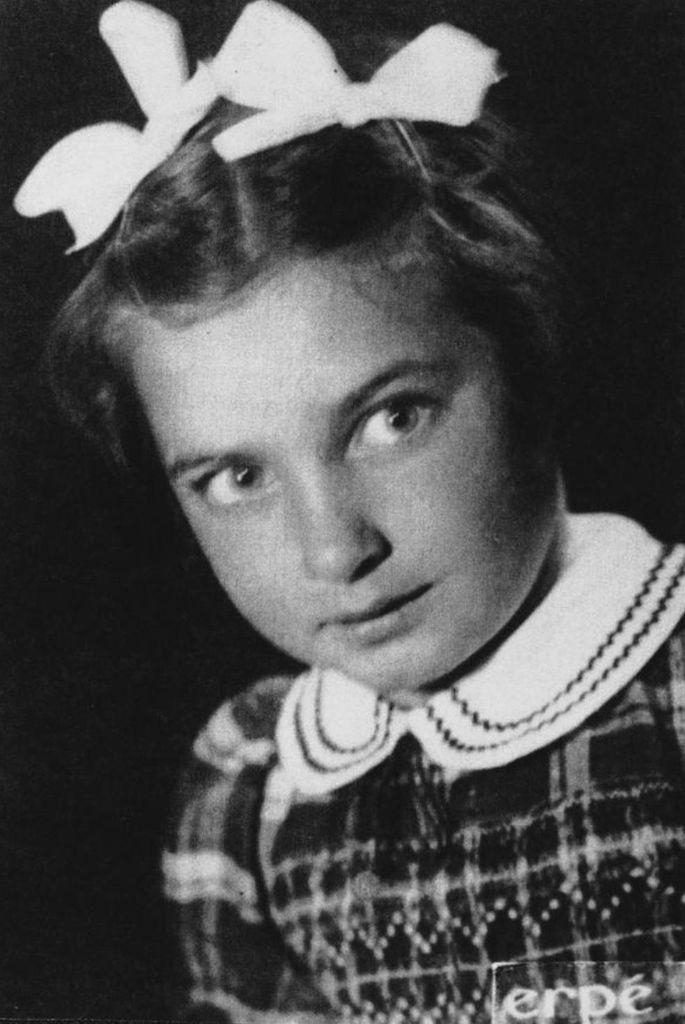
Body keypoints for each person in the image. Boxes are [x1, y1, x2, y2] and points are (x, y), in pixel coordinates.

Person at [13, 1, 685, 1021]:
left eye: (391, 418)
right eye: (237, 479)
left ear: (528, 363)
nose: (334, 547)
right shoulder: (250, 788)